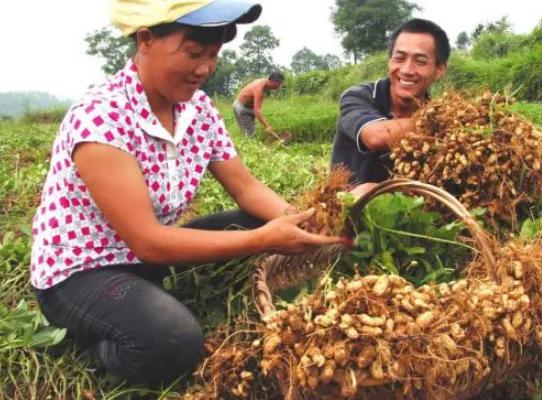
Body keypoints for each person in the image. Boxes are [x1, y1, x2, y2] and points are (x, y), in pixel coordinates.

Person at [30, 0, 348, 386]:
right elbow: (147, 240)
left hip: (146, 257)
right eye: (193, 53)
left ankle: (145, 295)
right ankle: (98, 338)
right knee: (173, 340)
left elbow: (246, 188)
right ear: (145, 39)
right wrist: (261, 240)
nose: (205, 68)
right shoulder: (102, 116)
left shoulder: (198, 110)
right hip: (84, 270)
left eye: (213, 55)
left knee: (260, 219)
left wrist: (299, 218)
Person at [331, 18, 450, 184]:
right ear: (389, 61)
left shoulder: (437, 112)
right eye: (399, 58)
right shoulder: (358, 96)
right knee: (367, 189)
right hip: (348, 203)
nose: (407, 70)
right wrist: (446, 122)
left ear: (439, 69)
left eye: (420, 61)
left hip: (410, 204)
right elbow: (375, 136)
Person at [233, 72, 284, 137]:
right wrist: (267, 126)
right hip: (241, 107)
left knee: (250, 128)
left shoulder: (264, 82)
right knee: (250, 134)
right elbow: (257, 111)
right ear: (272, 81)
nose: (279, 86)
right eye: (278, 84)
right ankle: (249, 144)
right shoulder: (259, 89)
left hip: (248, 107)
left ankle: (247, 138)